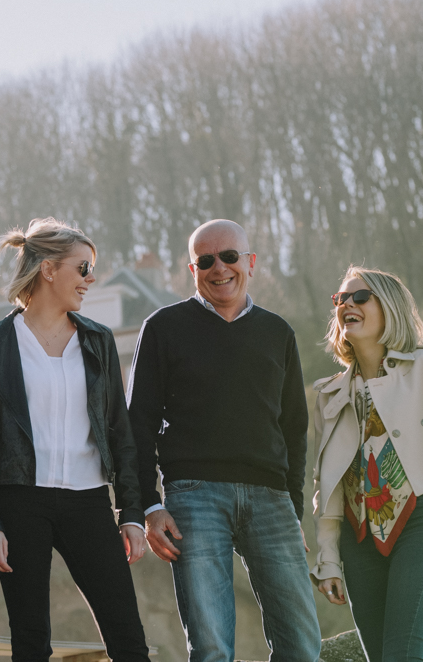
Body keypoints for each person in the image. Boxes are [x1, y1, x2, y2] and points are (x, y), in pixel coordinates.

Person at [127, 219, 320, 661]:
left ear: (249, 262)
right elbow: (137, 424)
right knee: (211, 647)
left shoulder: (278, 333)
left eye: (229, 257)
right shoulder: (162, 327)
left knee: (303, 647)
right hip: (194, 497)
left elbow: (294, 427)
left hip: (271, 499)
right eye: (206, 261)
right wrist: (148, 506)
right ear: (193, 269)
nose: (219, 268)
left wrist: (292, 506)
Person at [0, 218, 150, 662]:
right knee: (30, 640)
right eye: (83, 268)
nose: (91, 279)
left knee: (127, 636)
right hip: (19, 502)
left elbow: (119, 433)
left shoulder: (97, 341)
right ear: (48, 269)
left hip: (88, 502)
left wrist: (132, 512)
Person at [310, 266, 423, 661]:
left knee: (403, 654)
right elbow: (328, 486)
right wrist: (328, 558)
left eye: (360, 297)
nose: (347, 304)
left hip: (421, 519)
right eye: (341, 299)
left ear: (389, 306)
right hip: (358, 536)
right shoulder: (329, 395)